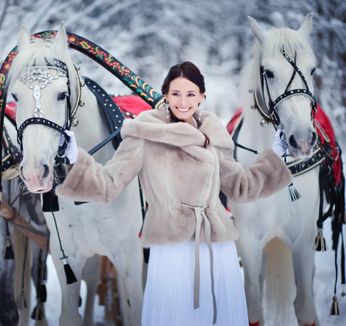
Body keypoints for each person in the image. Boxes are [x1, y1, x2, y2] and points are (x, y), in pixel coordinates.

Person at [56, 61, 292, 326]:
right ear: (165, 95)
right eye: (176, 94)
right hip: (171, 249)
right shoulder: (143, 134)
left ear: (202, 96)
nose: (183, 102)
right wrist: (75, 159)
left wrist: (277, 157)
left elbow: (241, 186)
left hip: (216, 248)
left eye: (191, 94)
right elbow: (109, 183)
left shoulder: (213, 135)